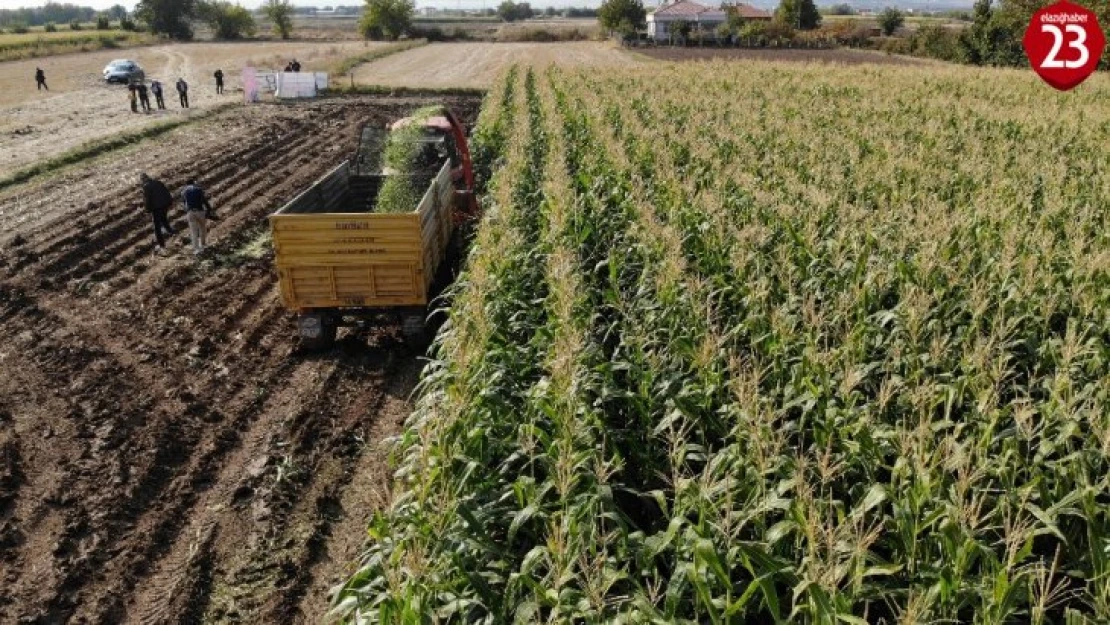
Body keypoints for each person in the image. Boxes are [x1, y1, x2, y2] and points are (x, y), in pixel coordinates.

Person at [140, 173, 176, 254]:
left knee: (157, 227)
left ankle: (162, 245)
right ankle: (172, 232)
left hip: (156, 208)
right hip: (165, 205)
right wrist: (170, 202)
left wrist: (147, 210)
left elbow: (147, 200)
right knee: (164, 219)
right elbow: (166, 192)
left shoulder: (146, 187)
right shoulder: (158, 182)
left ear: (143, 180)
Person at [182, 179, 215, 255]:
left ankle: (196, 249)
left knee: (193, 231)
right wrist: (209, 209)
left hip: (190, 212)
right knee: (202, 228)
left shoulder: (184, 192)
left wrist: (187, 210)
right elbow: (203, 200)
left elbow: (184, 203)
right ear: (194, 183)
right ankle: (203, 244)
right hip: (199, 211)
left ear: (186, 184)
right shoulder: (198, 189)